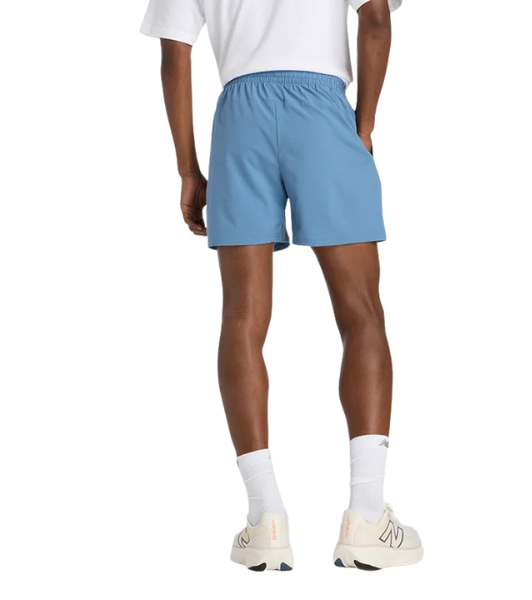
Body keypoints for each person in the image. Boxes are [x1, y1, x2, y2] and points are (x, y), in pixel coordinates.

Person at [140, 0, 422, 571]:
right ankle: (367, 517)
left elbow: (175, 55)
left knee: (242, 318)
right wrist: (363, 126)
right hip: (322, 109)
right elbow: (375, 18)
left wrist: (188, 169)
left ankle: (265, 519)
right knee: (361, 312)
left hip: (238, 116)